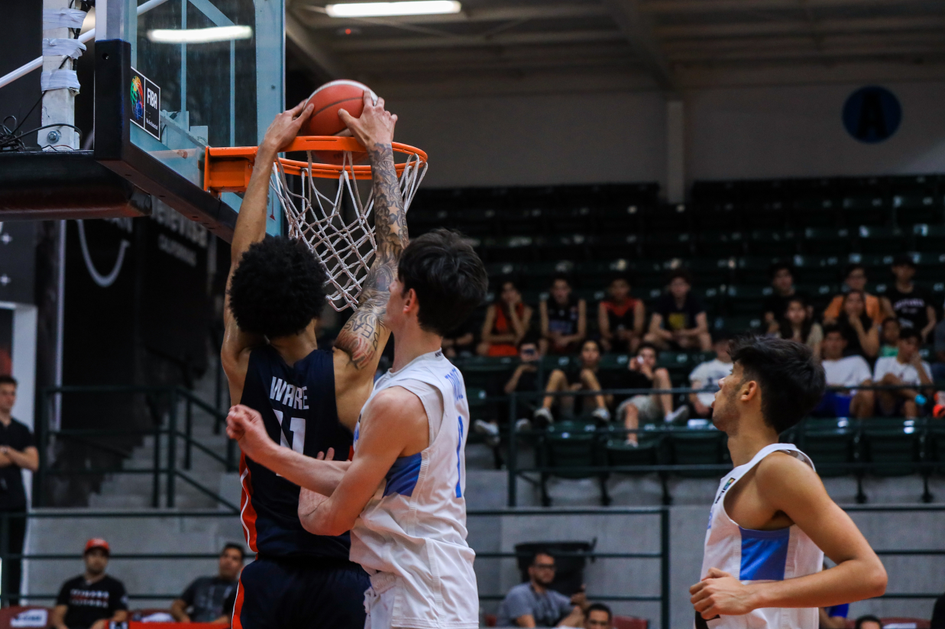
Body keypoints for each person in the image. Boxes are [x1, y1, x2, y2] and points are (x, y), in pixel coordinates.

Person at [226, 226, 488, 629]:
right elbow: (366, 475)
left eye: (397, 281)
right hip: (425, 581)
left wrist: (283, 471)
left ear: (410, 300)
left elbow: (329, 521)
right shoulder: (441, 377)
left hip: (414, 593)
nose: (390, 285)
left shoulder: (394, 401)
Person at [220, 95, 407, 628]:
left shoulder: (239, 360)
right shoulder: (349, 368)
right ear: (318, 305)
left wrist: (265, 157)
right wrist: (380, 152)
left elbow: (242, 263)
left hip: (269, 577)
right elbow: (390, 266)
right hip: (344, 579)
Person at [689, 336, 887, 628]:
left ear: (748, 390)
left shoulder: (779, 469)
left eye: (732, 373)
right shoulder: (742, 475)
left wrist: (750, 595)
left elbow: (869, 575)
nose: (721, 381)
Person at [0, 374, 38, 605]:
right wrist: (19, 456)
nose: (9, 398)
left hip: (16, 501)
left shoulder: (22, 430)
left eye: (12, 393)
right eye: (4, 393)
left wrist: (8, 452)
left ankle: (13, 606)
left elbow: (33, 463)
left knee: (15, 557)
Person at [616, 343, 688, 445]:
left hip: (651, 405)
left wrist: (650, 377)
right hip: (631, 406)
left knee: (662, 372)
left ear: (655, 360)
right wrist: (630, 372)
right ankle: (632, 442)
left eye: (651, 357)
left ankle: (668, 415)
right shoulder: (627, 372)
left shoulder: (657, 374)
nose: (647, 360)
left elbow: (671, 395)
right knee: (631, 408)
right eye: (643, 356)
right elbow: (617, 397)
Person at [496, 550, 588, 628]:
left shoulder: (552, 596)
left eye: (551, 567)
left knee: (580, 614)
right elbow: (529, 627)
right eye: (542, 567)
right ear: (531, 570)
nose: (547, 571)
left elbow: (586, 612)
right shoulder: (519, 594)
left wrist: (582, 602)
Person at [532, 340, 613, 426]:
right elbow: (558, 397)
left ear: (600, 356)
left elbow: (610, 400)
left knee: (587, 374)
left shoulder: (605, 375)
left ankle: (602, 409)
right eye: (586, 350)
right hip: (569, 408)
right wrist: (572, 390)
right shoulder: (572, 372)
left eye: (594, 350)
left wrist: (589, 390)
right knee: (557, 373)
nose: (590, 354)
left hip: (591, 410)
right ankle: (545, 410)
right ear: (580, 355)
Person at [51, 539, 128, 629]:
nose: (97, 559)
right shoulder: (70, 585)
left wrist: (104, 623)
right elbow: (58, 615)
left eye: (102, 556)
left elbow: (121, 615)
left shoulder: (116, 586)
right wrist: (61, 626)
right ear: (85, 557)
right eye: (93, 554)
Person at [171, 543, 244, 623]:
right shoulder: (201, 582)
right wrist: (184, 619)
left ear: (241, 565)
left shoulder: (241, 590)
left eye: (234, 559)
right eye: (225, 556)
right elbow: (177, 606)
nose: (228, 561)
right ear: (220, 559)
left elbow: (238, 615)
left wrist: (213, 626)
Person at [813, 326, 874, 419]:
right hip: (825, 399)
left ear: (844, 343)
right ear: (823, 343)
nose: (834, 343)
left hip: (851, 400)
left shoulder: (857, 360)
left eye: (838, 339)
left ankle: (860, 432)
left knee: (867, 395)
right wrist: (838, 388)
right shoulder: (817, 366)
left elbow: (867, 384)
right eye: (830, 339)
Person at [873, 328, 934, 419]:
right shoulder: (883, 361)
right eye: (909, 343)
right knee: (889, 377)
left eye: (916, 346)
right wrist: (897, 387)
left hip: (914, 405)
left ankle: (913, 432)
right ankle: (920, 399)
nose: (912, 348)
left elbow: (930, 391)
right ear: (899, 342)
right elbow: (877, 387)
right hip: (889, 402)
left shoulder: (924, 366)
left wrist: (918, 366)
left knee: (910, 405)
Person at [644, 270, 711, 351]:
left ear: (688, 286)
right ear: (669, 287)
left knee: (705, 337)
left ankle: (706, 362)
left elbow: (703, 327)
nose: (678, 288)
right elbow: (653, 327)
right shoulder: (663, 300)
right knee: (649, 338)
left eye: (681, 284)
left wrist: (686, 333)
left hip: (690, 339)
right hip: (669, 339)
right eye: (674, 284)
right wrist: (671, 336)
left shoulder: (695, 301)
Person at [883, 255, 937, 343]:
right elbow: (892, 319)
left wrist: (923, 333)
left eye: (908, 268)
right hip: (902, 337)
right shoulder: (888, 294)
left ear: (913, 271)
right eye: (901, 267)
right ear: (894, 269)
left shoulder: (924, 292)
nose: (904, 271)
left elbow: (932, 320)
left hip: (924, 336)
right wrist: (908, 336)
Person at [478, 280, 533, 357]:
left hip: (518, 345)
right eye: (505, 291)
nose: (508, 294)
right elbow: (484, 336)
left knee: (528, 349)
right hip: (500, 344)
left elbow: (521, 334)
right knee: (481, 348)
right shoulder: (493, 309)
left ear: (518, 293)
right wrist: (511, 338)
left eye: (511, 290)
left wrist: (512, 310)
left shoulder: (526, 310)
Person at [823, 264, 889, 328]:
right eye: (852, 277)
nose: (856, 281)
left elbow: (879, 323)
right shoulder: (838, 300)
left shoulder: (875, 300)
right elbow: (828, 320)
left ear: (865, 279)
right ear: (847, 280)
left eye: (859, 277)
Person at [689, 335, 734, 419]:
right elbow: (693, 391)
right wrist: (697, 403)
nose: (722, 347)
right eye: (719, 344)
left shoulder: (739, 368)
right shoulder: (704, 367)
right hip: (706, 408)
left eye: (725, 344)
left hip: (731, 409)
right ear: (714, 347)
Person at [539, 275, 586, 355]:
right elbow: (544, 331)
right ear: (551, 290)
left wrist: (567, 339)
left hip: (572, 340)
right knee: (542, 342)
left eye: (563, 289)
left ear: (569, 290)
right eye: (556, 289)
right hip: (553, 340)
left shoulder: (579, 303)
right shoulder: (545, 304)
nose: (559, 293)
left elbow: (582, 333)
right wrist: (554, 336)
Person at [598, 276, 645, 354]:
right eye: (614, 287)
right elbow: (604, 332)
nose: (618, 290)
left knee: (636, 341)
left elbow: (638, 330)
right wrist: (617, 335)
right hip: (612, 338)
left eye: (622, 287)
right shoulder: (604, 305)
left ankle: (632, 364)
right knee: (603, 342)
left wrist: (627, 334)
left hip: (630, 338)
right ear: (610, 290)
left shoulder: (636, 303)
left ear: (628, 288)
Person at [763, 263, 807, 334]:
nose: (783, 280)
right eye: (779, 276)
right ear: (773, 281)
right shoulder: (770, 302)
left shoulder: (804, 297)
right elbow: (770, 321)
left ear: (792, 278)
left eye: (786, 275)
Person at [836, 291, 880, 359]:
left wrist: (858, 327)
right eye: (850, 301)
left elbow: (871, 352)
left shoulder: (871, 324)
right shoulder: (836, 324)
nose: (855, 305)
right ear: (844, 306)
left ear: (864, 305)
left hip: (864, 362)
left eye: (859, 301)